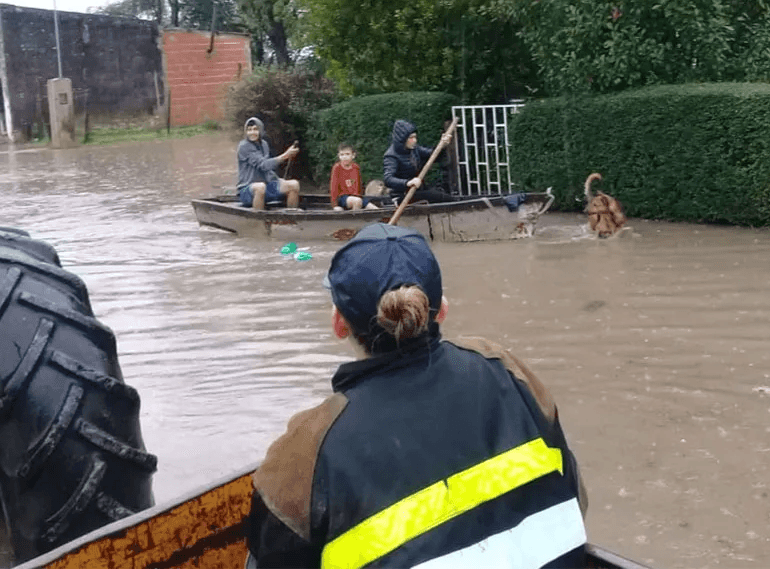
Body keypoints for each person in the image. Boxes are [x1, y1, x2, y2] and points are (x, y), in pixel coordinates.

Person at [245, 223, 588, 568]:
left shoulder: (307, 448)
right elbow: (575, 493)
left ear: (338, 323)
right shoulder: (503, 366)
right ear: (442, 310)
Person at [382, 119, 458, 204]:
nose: (414, 140)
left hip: (417, 192)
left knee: (440, 195)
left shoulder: (414, 149)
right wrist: (408, 183)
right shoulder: (391, 156)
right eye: (411, 138)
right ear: (402, 139)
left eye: (415, 137)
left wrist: (443, 146)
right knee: (436, 196)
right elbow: (388, 179)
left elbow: (433, 155)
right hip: (402, 196)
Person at [237, 116, 300, 210]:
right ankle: (258, 221)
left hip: (266, 186)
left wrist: (277, 179)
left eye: (255, 129)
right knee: (260, 187)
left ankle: (292, 218)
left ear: (261, 130)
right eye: (249, 130)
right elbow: (263, 165)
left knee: (294, 185)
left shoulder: (264, 144)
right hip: (246, 190)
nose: (252, 133)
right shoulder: (244, 146)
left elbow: (267, 170)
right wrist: (286, 155)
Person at [329, 143, 379, 211]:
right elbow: (333, 187)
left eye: (347, 154)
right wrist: (335, 205)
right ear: (339, 156)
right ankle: (355, 220)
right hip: (342, 197)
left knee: (375, 209)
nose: (344, 157)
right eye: (342, 155)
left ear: (353, 155)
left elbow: (358, 185)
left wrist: (361, 198)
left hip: (356, 196)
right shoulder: (337, 168)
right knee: (357, 201)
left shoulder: (356, 167)